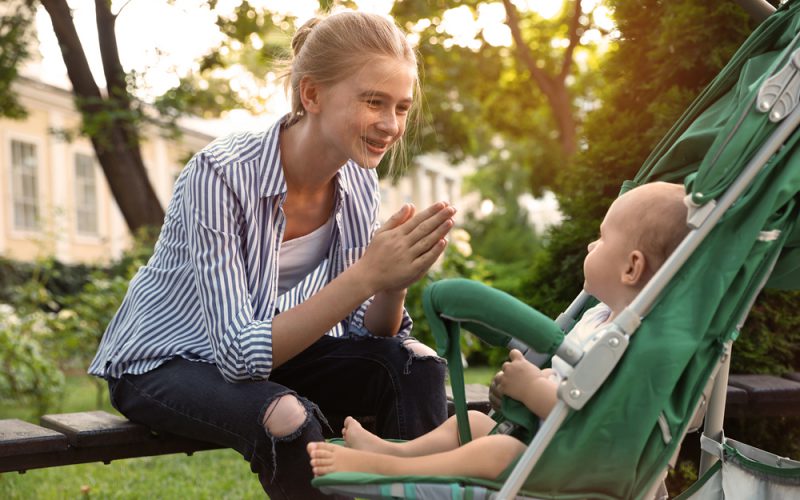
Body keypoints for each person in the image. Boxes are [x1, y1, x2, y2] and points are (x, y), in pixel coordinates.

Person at [88, 11, 453, 499]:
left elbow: (367, 334)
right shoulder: (219, 175)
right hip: (160, 364)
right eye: (373, 102)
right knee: (286, 417)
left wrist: (393, 279)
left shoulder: (358, 179)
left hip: (259, 355)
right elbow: (238, 356)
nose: (391, 125)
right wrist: (367, 273)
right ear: (312, 94)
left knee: (415, 364)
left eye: (402, 107)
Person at [307, 181, 691, 481]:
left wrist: (533, 389)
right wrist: (522, 387)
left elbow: (598, 417)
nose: (592, 243)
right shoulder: (597, 319)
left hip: (577, 469)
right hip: (544, 442)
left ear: (631, 268)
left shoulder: (633, 343)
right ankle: (392, 452)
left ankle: (388, 469)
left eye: (603, 238)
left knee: (498, 453)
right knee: (471, 423)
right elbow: (566, 378)